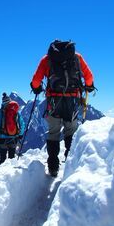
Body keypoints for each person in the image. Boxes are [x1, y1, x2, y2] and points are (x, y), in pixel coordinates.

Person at [30, 40, 94, 177]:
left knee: (53, 132)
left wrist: (36, 88)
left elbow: (36, 80)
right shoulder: (77, 57)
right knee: (71, 130)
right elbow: (89, 77)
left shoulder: (47, 59)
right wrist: (89, 85)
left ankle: (53, 167)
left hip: (53, 100)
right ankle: (71, 165)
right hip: (72, 100)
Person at [0, 93, 25, 164]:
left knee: (3, 158)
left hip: (3, 138)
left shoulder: (1, 111)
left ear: (2, 102)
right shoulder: (16, 111)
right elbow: (22, 124)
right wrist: (20, 134)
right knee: (12, 157)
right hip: (13, 137)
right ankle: (11, 173)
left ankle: (2, 174)